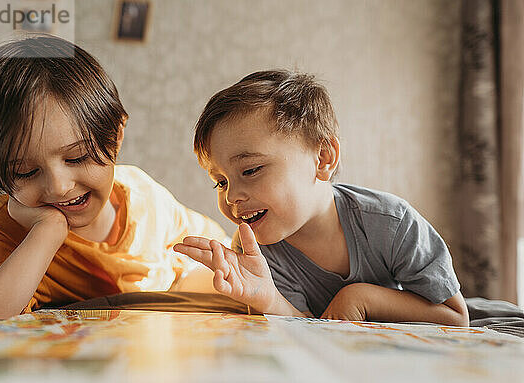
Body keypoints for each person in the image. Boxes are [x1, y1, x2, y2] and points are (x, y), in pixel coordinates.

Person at [0, 34, 225, 323]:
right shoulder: (6, 229)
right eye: (25, 172)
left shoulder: (143, 195)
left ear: (115, 137)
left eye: (77, 157)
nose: (59, 187)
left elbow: (222, 248)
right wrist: (47, 232)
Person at [174, 70, 469, 326]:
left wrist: (361, 298)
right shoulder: (256, 252)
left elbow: (456, 317)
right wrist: (268, 300)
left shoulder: (391, 223)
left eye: (250, 170)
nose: (233, 196)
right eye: (221, 182)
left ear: (323, 158)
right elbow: (303, 329)